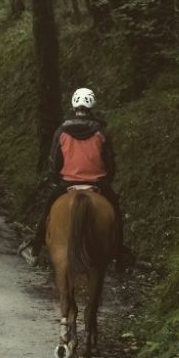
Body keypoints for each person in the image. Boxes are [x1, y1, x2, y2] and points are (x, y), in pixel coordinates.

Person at [19, 87, 132, 271]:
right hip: (97, 183)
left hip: (68, 183)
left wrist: (58, 179)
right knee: (116, 214)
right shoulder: (101, 132)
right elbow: (110, 162)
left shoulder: (62, 131)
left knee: (48, 210)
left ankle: (35, 247)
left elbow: (54, 161)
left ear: (74, 105)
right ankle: (120, 256)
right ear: (92, 105)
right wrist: (107, 180)